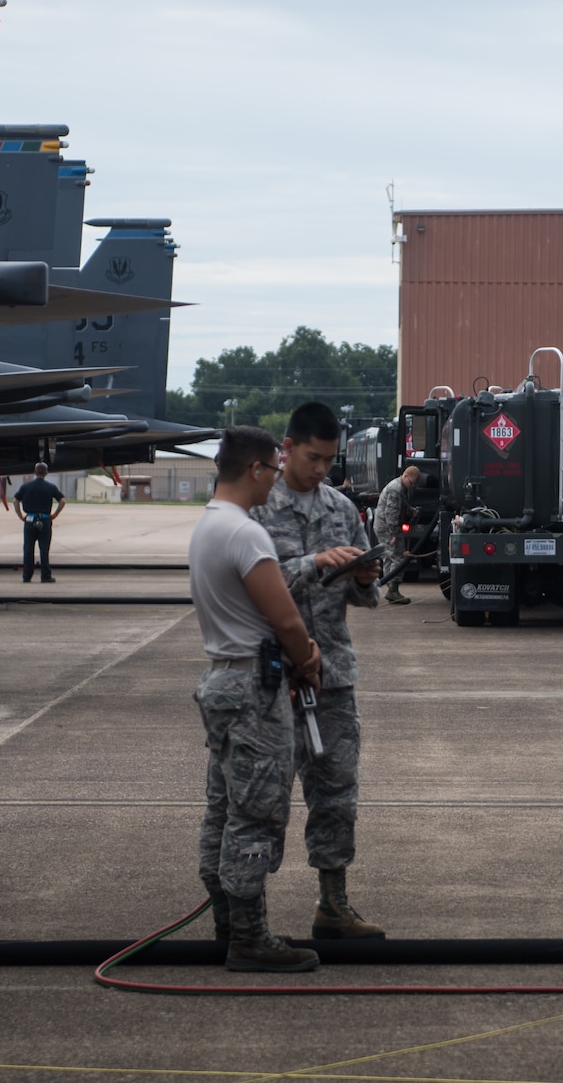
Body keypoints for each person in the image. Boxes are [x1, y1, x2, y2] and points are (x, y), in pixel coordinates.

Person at [250, 401, 387, 940]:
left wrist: (361, 577)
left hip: (332, 674)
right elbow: (250, 586)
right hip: (275, 679)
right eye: (312, 458)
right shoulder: (257, 509)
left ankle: (333, 902)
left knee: (337, 793)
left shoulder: (341, 508)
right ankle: (249, 916)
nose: (320, 470)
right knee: (264, 800)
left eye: (329, 461)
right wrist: (314, 563)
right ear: (286, 449)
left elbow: (365, 598)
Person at [189, 425, 324, 973]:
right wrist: (308, 657)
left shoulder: (206, 525)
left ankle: (229, 923)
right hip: (252, 689)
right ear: (254, 470)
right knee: (257, 812)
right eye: (273, 469)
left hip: (222, 680)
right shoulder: (245, 533)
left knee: (223, 808)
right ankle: (249, 938)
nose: (275, 480)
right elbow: (285, 617)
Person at [372, 464, 421, 605]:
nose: (411, 486)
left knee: (389, 557)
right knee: (398, 556)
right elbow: (391, 513)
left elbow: (402, 504)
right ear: (405, 476)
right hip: (387, 527)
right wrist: (394, 534)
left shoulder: (400, 487)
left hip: (383, 526)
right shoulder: (396, 489)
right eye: (411, 482)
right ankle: (393, 589)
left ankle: (391, 588)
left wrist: (411, 510)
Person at [12, 462, 64, 582]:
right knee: (44, 549)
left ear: (35, 472)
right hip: (45, 519)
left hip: (30, 520)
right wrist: (55, 514)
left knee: (28, 549)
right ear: (46, 473)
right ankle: (45, 576)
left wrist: (21, 515)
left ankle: (27, 576)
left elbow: (15, 501)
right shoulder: (51, 487)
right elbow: (62, 501)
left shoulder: (25, 487)